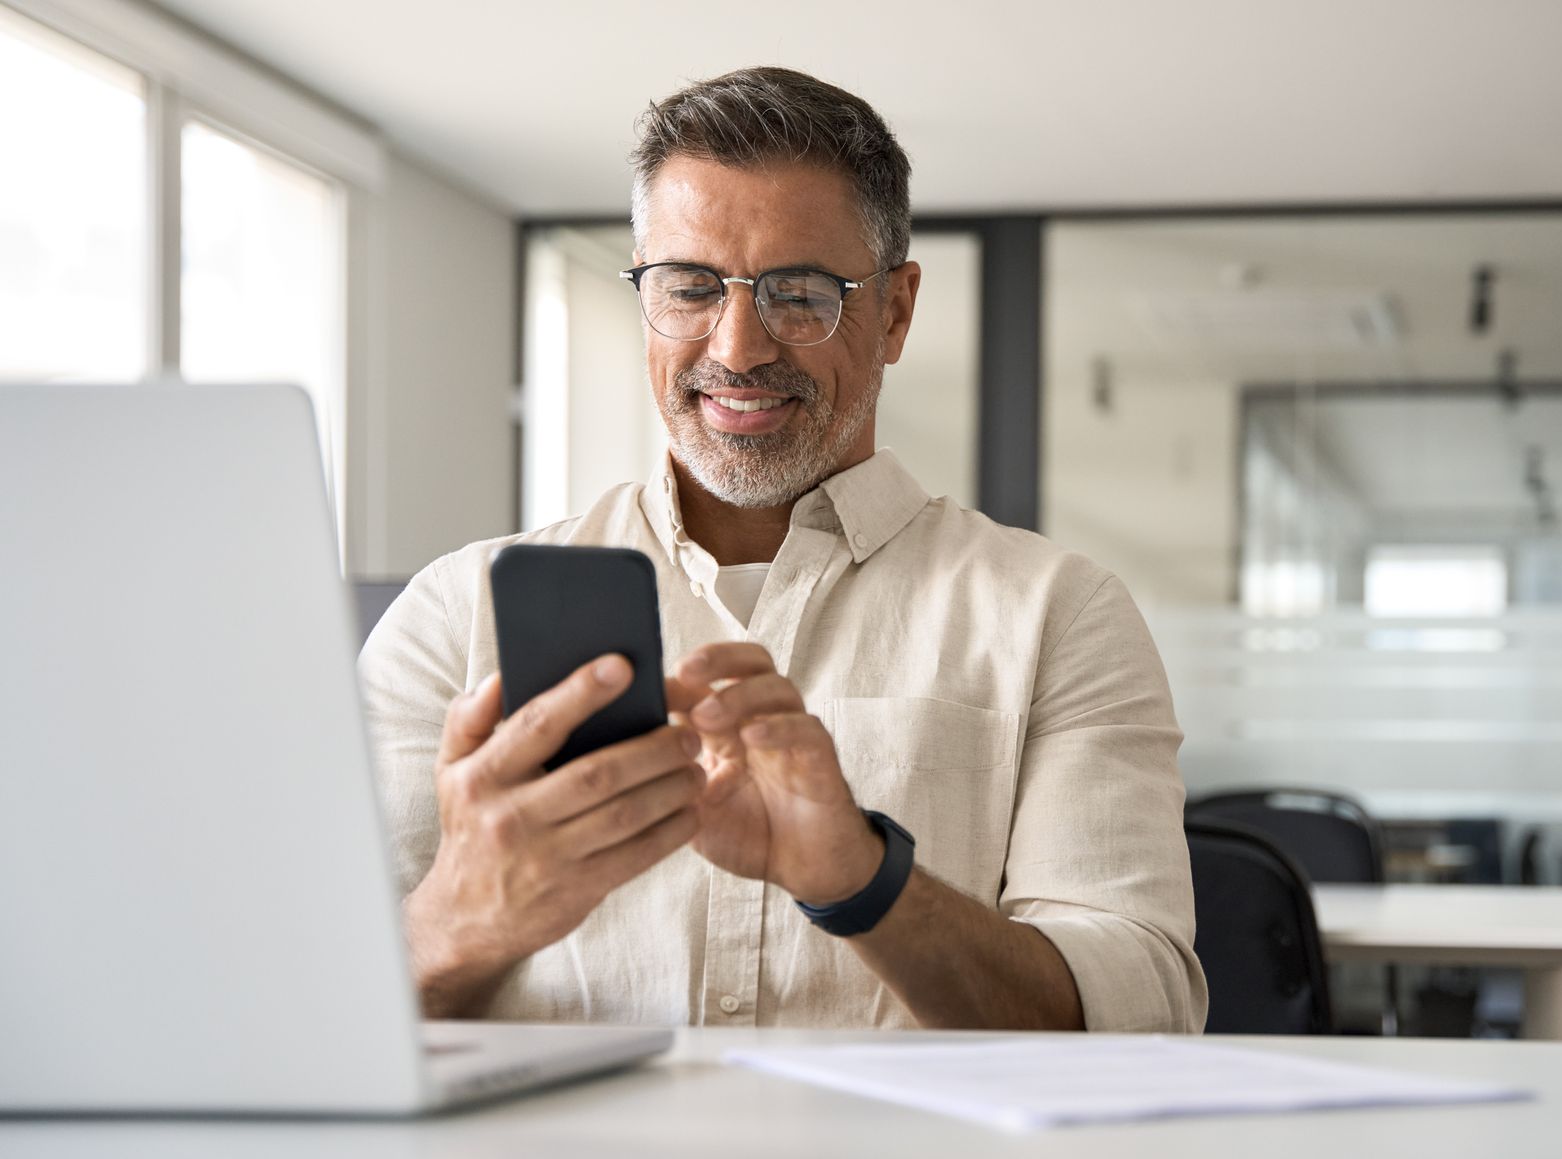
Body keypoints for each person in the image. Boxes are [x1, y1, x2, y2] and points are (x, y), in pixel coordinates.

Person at [360, 66, 1205, 1033]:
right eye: (688, 287)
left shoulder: (1059, 613)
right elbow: (302, 1016)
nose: (738, 345)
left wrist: (859, 877)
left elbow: (1142, 1012)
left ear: (893, 312)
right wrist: (472, 909)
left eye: (799, 293)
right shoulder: (455, 613)